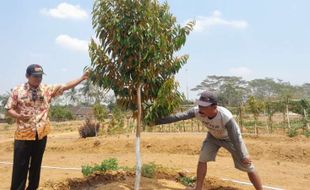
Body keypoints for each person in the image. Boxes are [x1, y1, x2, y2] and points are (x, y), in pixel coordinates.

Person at [155, 91, 263, 190]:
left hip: (230, 139)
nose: (200, 108)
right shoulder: (196, 111)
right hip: (213, 137)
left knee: (248, 165)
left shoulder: (225, 117)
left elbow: (235, 137)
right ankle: (198, 188)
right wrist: (157, 121)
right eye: (199, 104)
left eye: (204, 106)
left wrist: (243, 155)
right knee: (202, 159)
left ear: (214, 106)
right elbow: (178, 117)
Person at [5, 64, 88, 190]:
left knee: (36, 167)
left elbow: (65, 86)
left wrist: (81, 78)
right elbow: (9, 109)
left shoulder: (46, 89)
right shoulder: (17, 90)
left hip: (41, 134)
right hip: (23, 135)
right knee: (20, 168)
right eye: (35, 76)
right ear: (27, 76)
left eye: (40, 76)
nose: (38, 79)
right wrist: (19, 116)